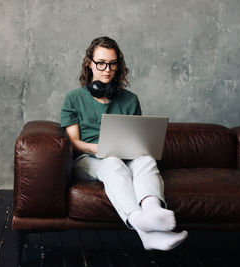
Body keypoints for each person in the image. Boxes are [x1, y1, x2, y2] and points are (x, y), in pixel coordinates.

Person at [60, 36, 188, 251]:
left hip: (125, 156)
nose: (106, 69)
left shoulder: (130, 99)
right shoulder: (73, 98)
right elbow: (73, 142)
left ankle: (152, 213)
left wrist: (138, 148)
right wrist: (98, 149)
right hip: (88, 159)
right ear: (89, 63)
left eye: (112, 63)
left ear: (119, 65)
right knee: (111, 162)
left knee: (146, 159)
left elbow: (136, 138)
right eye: (100, 63)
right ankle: (140, 221)